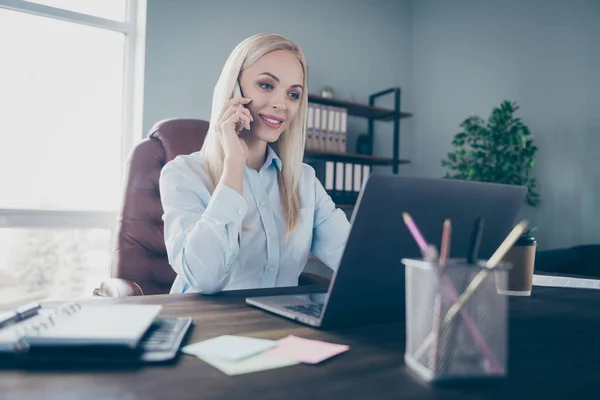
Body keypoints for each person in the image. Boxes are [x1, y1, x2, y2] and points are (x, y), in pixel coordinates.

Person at [159, 33, 350, 294]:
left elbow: (351, 259)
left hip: (278, 328)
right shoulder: (183, 174)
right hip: (203, 327)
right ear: (234, 90)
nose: (281, 105)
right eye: (267, 86)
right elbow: (204, 279)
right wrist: (234, 164)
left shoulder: (303, 181)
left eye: (293, 95)